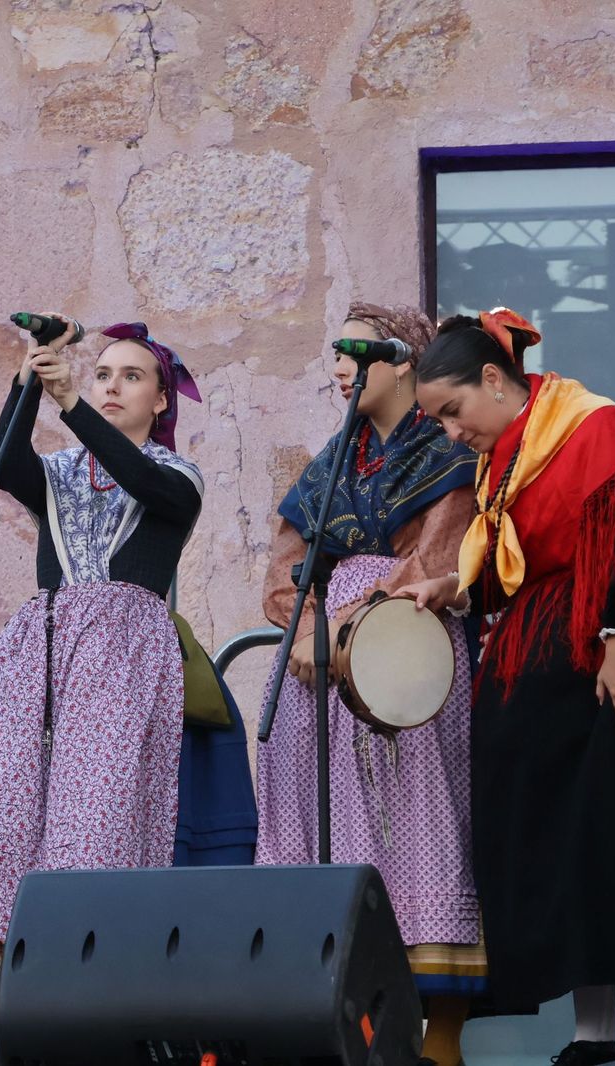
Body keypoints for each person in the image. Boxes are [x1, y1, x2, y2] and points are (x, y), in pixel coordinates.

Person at [402, 308, 615, 1065]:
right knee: (576, 841)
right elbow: (506, 560)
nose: (452, 435)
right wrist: (446, 585)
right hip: (550, 658)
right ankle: (592, 1037)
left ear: (494, 379)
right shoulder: (505, 457)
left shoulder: (595, 425)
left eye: (453, 413)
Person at [254, 303, 482, 1066]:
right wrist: (311, 626)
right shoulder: (329, 465)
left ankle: (438, 1031)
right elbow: (287, 570)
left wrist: (352, 628)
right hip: (318, 671)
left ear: (407, 362)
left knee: (421, 815)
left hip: (406, 654)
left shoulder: (446, 455)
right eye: (337, 352)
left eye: (359, 350)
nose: (341, 365)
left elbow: (438, 558)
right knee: (320, 819)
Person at [0, 318, 205, 944]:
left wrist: (70, 402)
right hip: (40, 649)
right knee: (6, 817)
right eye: (101, 375)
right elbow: (8, 464)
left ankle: (89, 972)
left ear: (162, 397)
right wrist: (28, 379)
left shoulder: (180, 475)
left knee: (93, 823)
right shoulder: (63, 471)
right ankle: (4, 979)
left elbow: (140, 481)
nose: (112, 386)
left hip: (120, 653)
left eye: (131, 376)